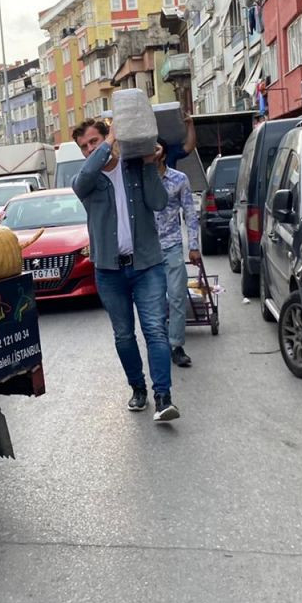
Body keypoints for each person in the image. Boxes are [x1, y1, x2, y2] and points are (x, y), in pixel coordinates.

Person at [71, 119, 179, 422]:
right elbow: (83, 179)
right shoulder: (86, 181)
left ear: (109, 137)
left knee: (155, 330)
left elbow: (159, 202)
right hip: (109, 271)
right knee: (123, 336)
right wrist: (107, 146)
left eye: (95, 141)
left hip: (147, 266)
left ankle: (163, 397)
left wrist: (149, 163)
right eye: (85, 146)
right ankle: (138, 388)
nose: (90, 148)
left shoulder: (133, 168)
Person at [155, 145, 202, 368]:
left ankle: (176, 345)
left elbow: (190, 214)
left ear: (163, 154)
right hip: (147, 251)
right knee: (155, 302)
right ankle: (158, 344)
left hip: (172, 245)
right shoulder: (138, 180)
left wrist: (193, 246)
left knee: (176, 296)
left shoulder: (179, 179)